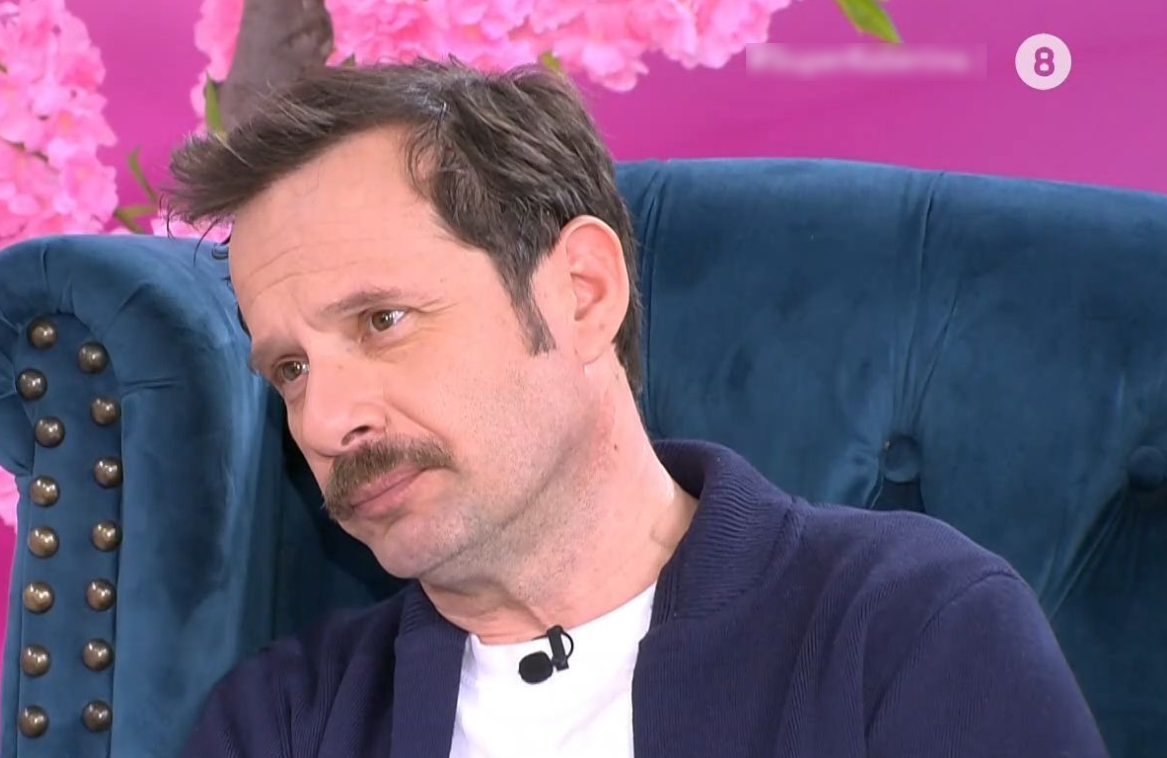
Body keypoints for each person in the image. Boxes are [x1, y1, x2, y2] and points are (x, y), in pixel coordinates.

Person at [165, 58, 1108, 758]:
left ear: (582, 294)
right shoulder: (281, 721)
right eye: (290, 368)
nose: (324, 422)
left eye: (383, 320)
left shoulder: (910, 628)